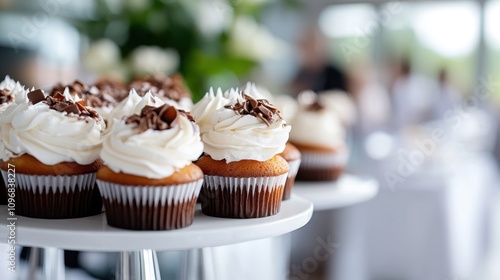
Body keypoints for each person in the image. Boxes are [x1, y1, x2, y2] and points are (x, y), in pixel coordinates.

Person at [290, 28, 347, 96]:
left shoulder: (334, 74)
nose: (310, 51)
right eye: (306, 46)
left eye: (313, 45)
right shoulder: (301, 73)